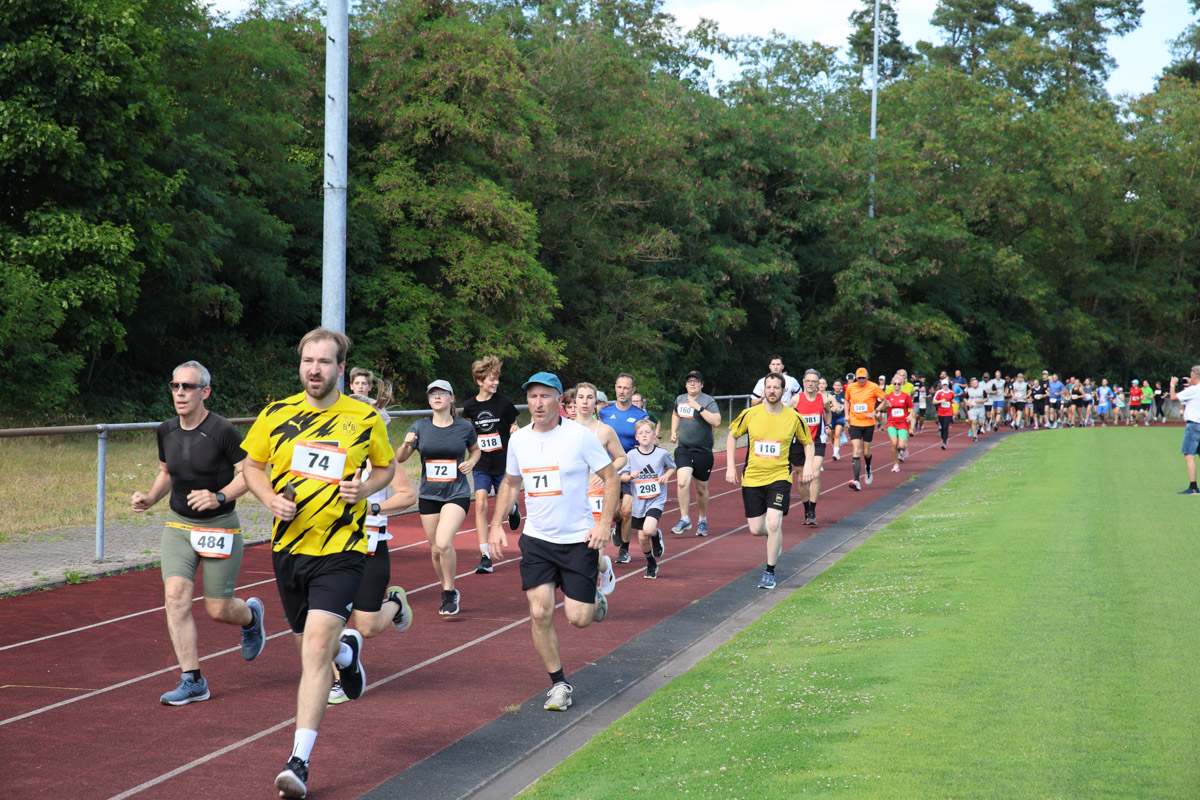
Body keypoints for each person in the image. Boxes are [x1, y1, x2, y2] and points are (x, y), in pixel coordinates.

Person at [241, 328, 396, 799]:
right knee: (315, 650)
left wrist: (364, 489)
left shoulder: (363, 417)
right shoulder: (276, 413)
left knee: (313, 653)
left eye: (324, 362)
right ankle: (347, 656)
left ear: (340, 369)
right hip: (289, 551)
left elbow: (386, 467)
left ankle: (298, 762)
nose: (314, 369)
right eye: (308, 361)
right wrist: (269, 498)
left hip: (341, 551)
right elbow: (251, 465)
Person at [132, 360, 265, 707]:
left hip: (219, 526)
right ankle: (192, 680)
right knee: (175, 596)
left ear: (204, 392)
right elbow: (166, 471)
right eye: (175, 386)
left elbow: (249, 474)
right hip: (179, 525)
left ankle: (251, 617)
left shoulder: (222, 430)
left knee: (218, 609)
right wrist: (150, 497)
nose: (180, 393)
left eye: (187, 387)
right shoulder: (165, 430)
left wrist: (218, 496)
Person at [488, 372, 619, 712]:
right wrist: (496, 524)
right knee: (539, 610)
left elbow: (611, 477)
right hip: (537, 540)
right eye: (532, 396)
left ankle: (593, 595)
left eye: (545, 396)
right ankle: (559, 684)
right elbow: (510, 482)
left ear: (559, 400)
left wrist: (603, 524)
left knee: (579, 618)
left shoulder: (579, 436)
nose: (538, 403)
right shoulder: (519, 440)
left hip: (578, 540)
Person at [328, 396, 417, 705]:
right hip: (331, 548)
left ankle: (395, 604)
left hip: (369, 547)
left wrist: (372, 507)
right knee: (328, 620)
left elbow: (408, 496)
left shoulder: (381, 457)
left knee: (367, 627)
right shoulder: (328, 451)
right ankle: (339, 681)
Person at [396, 380, 481, 616]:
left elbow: (475, 450)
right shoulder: (420, 426)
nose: (436, 396)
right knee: (435, 550)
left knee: (444, 542)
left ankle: (450, 591)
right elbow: (400, 458)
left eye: (442, 393)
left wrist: (471, 462)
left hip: (456, 492)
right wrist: (406, 444)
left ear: (451, 398)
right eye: (432, 393)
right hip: (429, 494)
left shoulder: (464, 427)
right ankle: (447, 589)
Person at [725, 373, 813, 589]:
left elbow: (808, 443)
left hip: (779, 476)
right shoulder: (750, 414)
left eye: (776, 387)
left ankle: (770, 571)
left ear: (784, 391)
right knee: (756, 529)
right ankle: (775, 537)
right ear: (764, 389)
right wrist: (730, 466)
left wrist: (809, 465)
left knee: (774, 521)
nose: (772, 391)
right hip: (752, 478)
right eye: (768, 387)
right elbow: (732, 436)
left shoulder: (793, 417)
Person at [462, 356, 522, 575]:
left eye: (497, 379)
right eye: (491, 379)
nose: (495, 383)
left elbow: (514, 424)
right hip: (482, 463)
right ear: (480, 381)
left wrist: (515, 429)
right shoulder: (470, 406)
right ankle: (485, 554)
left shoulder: (504, 403)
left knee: (503, 503)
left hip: (503, 462)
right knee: (480, 503)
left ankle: (513, 508)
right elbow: (468, 434)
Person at [598, 373, 648, 562]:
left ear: (633, 390)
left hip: (630, 469)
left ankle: (624, 550)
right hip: (608, 469)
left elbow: (647, 443)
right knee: (612, 512)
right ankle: (618, 523)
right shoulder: (604, 413)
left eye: (626, 388)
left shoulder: (641, 416)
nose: (622, 391)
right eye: (619, 387)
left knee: (627, 510)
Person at [573, 382, 628, 545]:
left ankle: (617, 518)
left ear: (596, 402)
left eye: (589, 397)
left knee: (595, 543)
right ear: (575, 400)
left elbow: (622, 457)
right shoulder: (564, 429)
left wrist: (607, 472)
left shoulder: (605, 430)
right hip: (575, 488)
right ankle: (604, 563)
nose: (585, 401)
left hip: (598, 488)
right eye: (581, 397)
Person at [621, 419, 677, 578]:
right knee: (642, 539)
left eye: (647, 432)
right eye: (641, 433)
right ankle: (651, 564)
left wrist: (666, 476)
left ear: (654, 435)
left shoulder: (662, 454)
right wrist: (629, 476)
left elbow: (672, 467)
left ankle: (656, 534)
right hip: (639, 502)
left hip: (656, 499)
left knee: (648, 530)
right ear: (636, 437)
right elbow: (621, 476)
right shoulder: (631, 455)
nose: (644, 435)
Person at [669, 370, 720, 537]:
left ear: (701, 385)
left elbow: (717, 421)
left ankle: (702, 520)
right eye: (689, 381)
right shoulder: (680, 399)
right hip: (684, 449)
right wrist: (673, 431)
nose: (692, 384)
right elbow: (675, 413)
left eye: (696, 381)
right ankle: (684, 518)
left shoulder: (708, 401)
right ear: (685, 385)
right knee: (682, 482)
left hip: (703, 451)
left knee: (701, 489)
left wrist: (698, 407)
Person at [793, 369, 833, 524]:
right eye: (808, 381)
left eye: (814, 381)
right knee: (802, 479)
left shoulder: (824, 400)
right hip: (798, 442)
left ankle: (812, 511)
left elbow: (828, 412)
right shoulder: (796, 400)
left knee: (815, 474)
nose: (810, 384)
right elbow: (786, 418)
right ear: (803, 382)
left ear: (818, 384)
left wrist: (828, 425)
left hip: (817, 441)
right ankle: (805, 509)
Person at [843, 368, 889, 491]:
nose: (861, 380)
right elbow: (846, 400)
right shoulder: (850, 387)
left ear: (867, 377)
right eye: (859, 378)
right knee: (856, 450)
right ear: (856, 378)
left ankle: (868, 467)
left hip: (868, 423)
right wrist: (846, 414)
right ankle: (856, 480)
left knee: (866, 452)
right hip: (855, 422)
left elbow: (885, 400)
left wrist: (875, 412)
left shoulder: (873, 387)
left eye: (863, 378)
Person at [1170, 368, 1200, 494]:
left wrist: (1172, 385)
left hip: (1194, 425)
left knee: (1189, 455)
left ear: (1194, 376)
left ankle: (1193, 487)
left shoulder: (1193, 390)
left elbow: (1173, 397)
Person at [884, 374, 915, 471]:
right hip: (891, 423)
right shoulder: (889, 396)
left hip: (903, 423)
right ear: (892, 385)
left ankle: (904, 448)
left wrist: (910, 415)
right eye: (895, 384)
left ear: (901, 384)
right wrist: (886, 406)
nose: (897, 385)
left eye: (898, 384)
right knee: (894, 444)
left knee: (901, 446)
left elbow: (911, 407)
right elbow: (885, 410)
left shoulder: (906, 396)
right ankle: (895, 464)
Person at [933, 378, 955, 449]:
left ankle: (944, 443)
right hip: (941, 412)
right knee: (942, 427)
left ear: (948, 385)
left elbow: (952, 399)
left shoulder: (951, 392)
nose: (944, 386)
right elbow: (934, 402)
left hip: (948, 412)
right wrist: (940, 401)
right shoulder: (939, 392)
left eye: (946, 385)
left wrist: (954, 402)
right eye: (943, 385)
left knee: (946, 427)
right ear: (942, 385)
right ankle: (944, 438)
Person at [829, 379, 847, 461]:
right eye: (835, 385)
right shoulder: (830, 395)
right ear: (833, 386)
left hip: (841, 417)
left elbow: (848, 405)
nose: (837, 387)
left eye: (839, 385)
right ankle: (835, 449)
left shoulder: (845, 395)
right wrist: (831, 407)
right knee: (833, 435)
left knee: (837, 434)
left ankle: (835, 453)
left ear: (841, 387)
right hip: (831, 417)